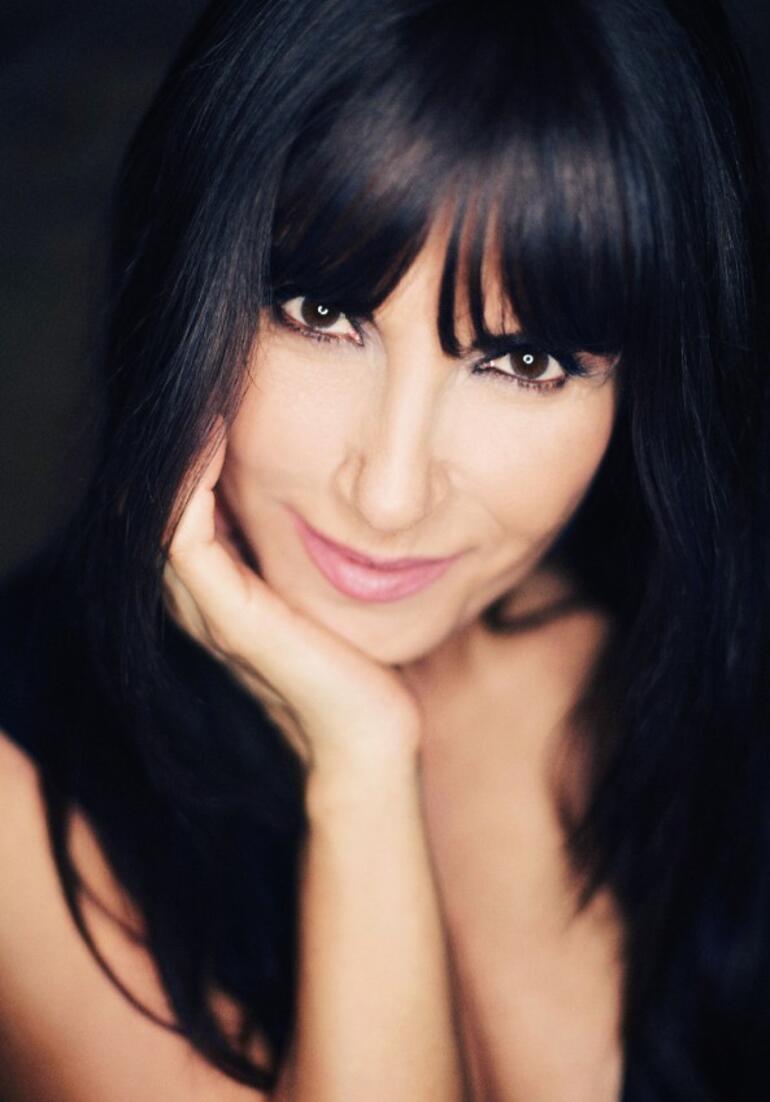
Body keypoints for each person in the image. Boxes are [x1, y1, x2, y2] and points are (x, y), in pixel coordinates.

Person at [0, 0, 768, 1098]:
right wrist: (360, 765)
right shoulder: (18, 786)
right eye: (319, 313)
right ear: (188, 284)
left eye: (524, 362)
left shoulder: (704, 674)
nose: (390, 495)